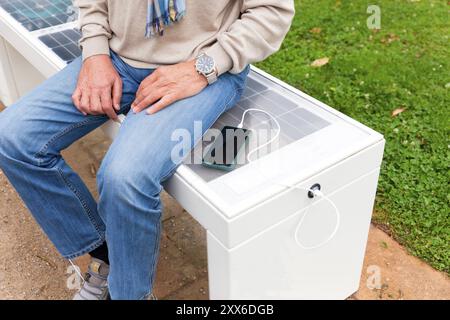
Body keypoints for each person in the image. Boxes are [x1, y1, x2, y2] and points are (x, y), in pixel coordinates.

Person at [0, 0, 295, 300]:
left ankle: (129, 293)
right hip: (117, 56)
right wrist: (95, 53)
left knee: (125, 178)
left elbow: (272, 12)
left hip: (205, 67)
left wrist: (202, 67)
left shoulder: (205, 65)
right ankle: (107, 256)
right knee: (12, 137)